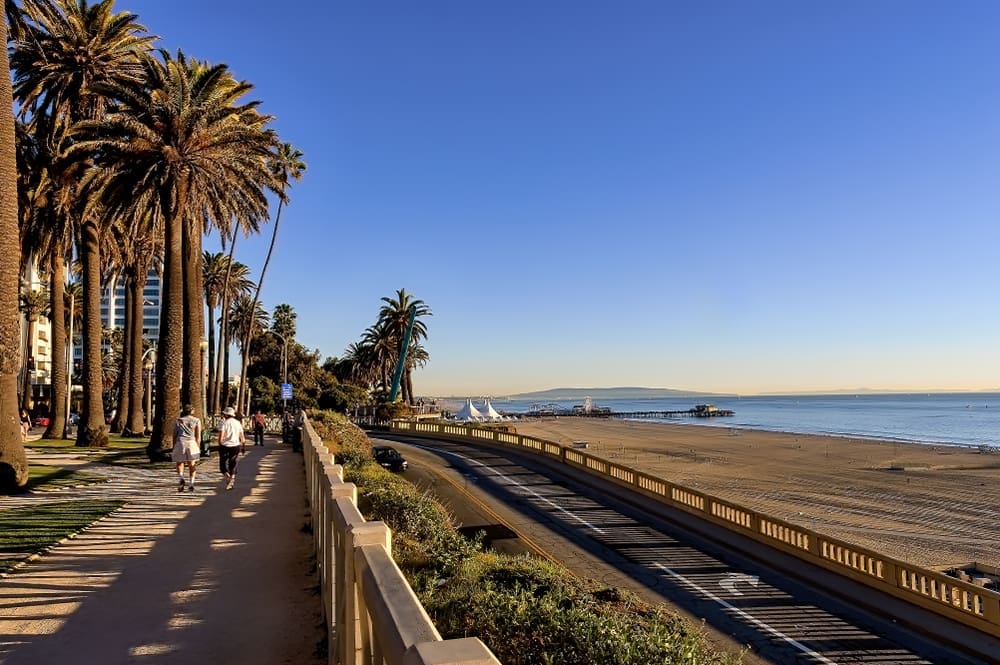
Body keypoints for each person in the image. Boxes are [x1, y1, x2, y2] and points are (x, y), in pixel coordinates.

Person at [171, 404, 202, 492]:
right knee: (192, 464)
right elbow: (198, 436)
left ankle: (181, 478)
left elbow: (174, 434)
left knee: (179, 463)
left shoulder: (179, 420)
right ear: (192, 411)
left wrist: (174, 446)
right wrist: (198, 447)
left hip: (180, 442)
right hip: (192, 443)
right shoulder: (196, 420)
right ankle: (191, 484)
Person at [218, 406, 246, 490]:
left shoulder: (223, 423)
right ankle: (232, 478)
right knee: (233, 463)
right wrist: (243, 446)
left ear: (226, 415)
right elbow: (242, 437)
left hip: (225, 446)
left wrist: (220, 444)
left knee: (222, 465)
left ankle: (227, 477)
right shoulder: (238, 423)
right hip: (236, 445)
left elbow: (221, 436)